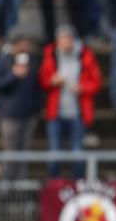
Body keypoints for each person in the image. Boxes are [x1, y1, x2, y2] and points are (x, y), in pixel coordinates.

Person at [39, 25, 101, 179]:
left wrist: (82, 88)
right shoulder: (50, 55)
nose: (65, 43)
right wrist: (52, 81)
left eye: (67, 39)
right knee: (54, 151)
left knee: (77, 151)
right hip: (56, 112)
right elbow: (42, 80)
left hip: (78, 113)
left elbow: (96, 82)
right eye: (62, 39)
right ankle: (53, 183)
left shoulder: (85, 55)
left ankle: (78, 183)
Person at [0, 31, 42, 180]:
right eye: (24, 42)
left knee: (24, 153)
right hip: (9, 115)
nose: (27, 46)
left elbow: (37, 85)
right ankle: (7, 189)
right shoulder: (2, 60)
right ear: (15, 43)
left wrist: (37, 108)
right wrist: (13, 75)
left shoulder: (32, 60)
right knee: (10, 153)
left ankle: (22, 188)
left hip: (30, 114)